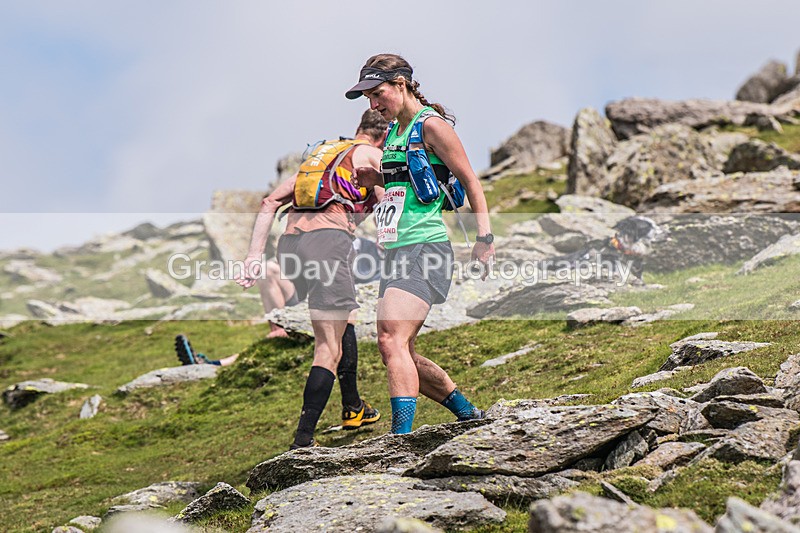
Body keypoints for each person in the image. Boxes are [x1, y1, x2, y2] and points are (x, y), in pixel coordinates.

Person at [346, 54, 496, 434]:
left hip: (426, 248)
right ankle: (469, 415)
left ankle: (400, 441)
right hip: (398, 250)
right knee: (401, 350)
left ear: (401, 84)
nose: (373, 105)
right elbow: (407, 186)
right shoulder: (396, 131)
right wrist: (374, 178)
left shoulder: (432, 126)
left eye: (378, 94)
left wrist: (484, 239)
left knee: (389, 339)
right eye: (368, 99)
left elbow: (471, 181)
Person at [235, 110, 387, 448]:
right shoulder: (371, 155)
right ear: (384, 134)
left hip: (290, 247)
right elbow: (384, 203)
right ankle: (303, 439)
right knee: (327, 348)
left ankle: (353, 406)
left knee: (345, 315)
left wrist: (253, 257)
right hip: (327, 244)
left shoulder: (324, 155)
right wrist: (387, 243)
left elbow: (270, 201)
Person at [173, 237, 383, 366]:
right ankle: (277, 329)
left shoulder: (380, 255)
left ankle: (214, 364)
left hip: (339, 313)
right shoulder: (341, 242)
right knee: (268, 270)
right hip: (309, 302)